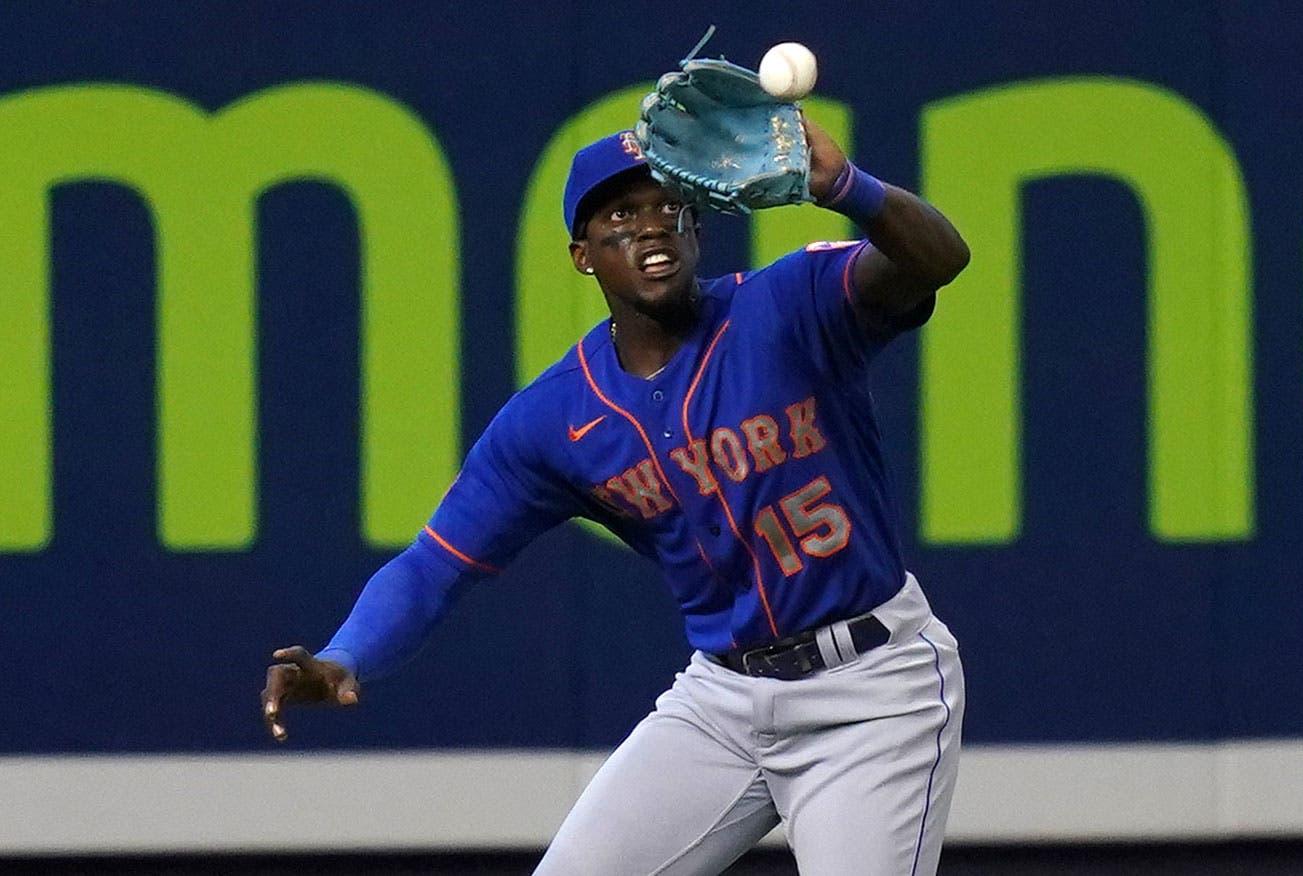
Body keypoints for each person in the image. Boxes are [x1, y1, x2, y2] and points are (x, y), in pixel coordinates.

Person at [262, 117, 970, 874]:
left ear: (696, 225)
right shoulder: (554, 419)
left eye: (666, 204)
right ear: (583, 257)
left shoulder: (790, 305)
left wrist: (845, 187)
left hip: (872, 689)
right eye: (618, 217)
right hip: (724, 702)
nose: (648, 225)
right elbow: (435, 566)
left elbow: (938, 259)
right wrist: (347, 655)